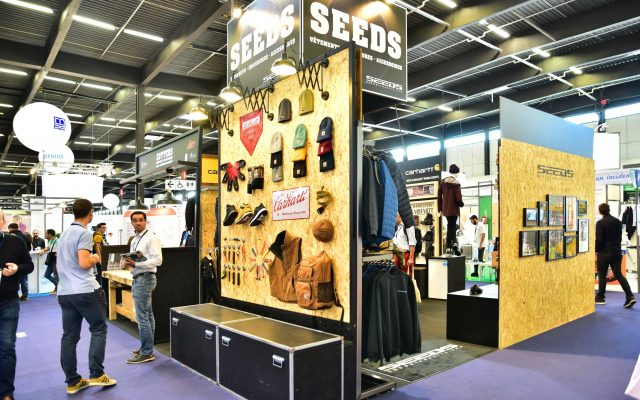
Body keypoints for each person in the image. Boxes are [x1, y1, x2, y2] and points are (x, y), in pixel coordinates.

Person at [57, 199, 116, 394]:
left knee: (69, 337)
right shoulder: (85, 233)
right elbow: (84, 263)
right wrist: (95, 258)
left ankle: (72, 381)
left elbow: (59, 265)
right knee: (98, 329)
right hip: (85, 290)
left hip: (65, 292)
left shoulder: (64, 234)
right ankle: (97, 374)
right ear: (90, 213)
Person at [0, 209, 34, 400]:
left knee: (7, 346)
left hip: (9, 300)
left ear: (3, 221)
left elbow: (29, 265)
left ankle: (6, 392)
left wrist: (17, 269)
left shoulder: (15, 241)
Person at [122, 211, 162, 364]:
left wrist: (137, 264)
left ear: (146, 221)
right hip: (139, 277)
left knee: (142, 317)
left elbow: (158, 260)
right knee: (147, 315)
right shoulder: (135, 239)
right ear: (131, 222)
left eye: (141, 220)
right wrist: (128, 262)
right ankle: (147, 347)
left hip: (145, 278)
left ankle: (147, 352)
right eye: (135, 220)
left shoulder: (151, 237)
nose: (138, 223)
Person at [595, 203, 636, 308]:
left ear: (600, 211)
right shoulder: (618, 222)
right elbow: (620, 237)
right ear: (609, 210)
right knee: (618, 274)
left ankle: (600, 297)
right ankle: (630, 296)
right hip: (617, 251)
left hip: (604, 253)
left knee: (602, 274)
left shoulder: (600, 223)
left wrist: (596, 250)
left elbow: (599, 240)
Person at [437, 164, 464, 255]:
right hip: (454, 209)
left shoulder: (443, 182)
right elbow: (458, 198)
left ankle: (450, 246)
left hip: (446, 209)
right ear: (456, 173)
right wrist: (461, 204)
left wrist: (440, 209)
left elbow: (439, 197)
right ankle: (453, 244)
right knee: (452, 226)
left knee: (450, 226)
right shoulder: (456, 183)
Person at [7, 223, 29, 301]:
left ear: (10, 228)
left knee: (13, 278)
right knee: (23, 278)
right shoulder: (25, 236)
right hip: (24, 261)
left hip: (14, 261)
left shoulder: (10, 236)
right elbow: (29, 248)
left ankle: (14, 295)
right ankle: (25, 295)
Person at [41, 229, 59, 294]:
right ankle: (59, 286)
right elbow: (48, 248)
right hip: (51, 260)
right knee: (46, 275)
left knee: (55, 275)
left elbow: (60, 250)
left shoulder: (57, 241)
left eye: (46, 233)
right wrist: (43, 250)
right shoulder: (50, 240)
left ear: (50, 234)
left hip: (56, 259)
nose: (45, 235)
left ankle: (58, 289)